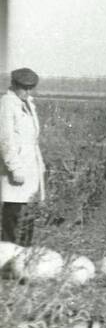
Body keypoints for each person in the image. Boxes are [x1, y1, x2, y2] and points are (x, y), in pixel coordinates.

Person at [0, 68, 45, 245]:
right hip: (15, 170)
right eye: (24, 88)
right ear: (14, 85)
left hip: (30, 168)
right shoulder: (6, 104)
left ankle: (24, 257)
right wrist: (15, 168)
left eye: (30, 88)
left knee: (27, 216)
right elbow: (5, 141)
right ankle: (7, 260)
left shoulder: (28, 103)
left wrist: (39, 166)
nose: (27, 92)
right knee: (13, 217)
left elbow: (32, 139)